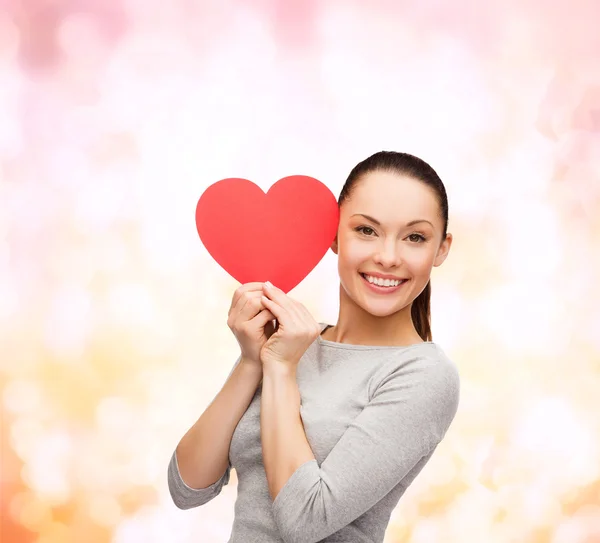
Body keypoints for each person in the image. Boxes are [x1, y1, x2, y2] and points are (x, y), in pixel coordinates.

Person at [167, 151, 461, 543]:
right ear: (334, 235)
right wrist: (254, 361)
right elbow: (187, 488)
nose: (387, 257)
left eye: (414, 237)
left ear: (441, 249)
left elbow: (305, 521)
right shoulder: (291, 343)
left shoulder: (423, 375)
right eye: (367, 230)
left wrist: (281, 370)